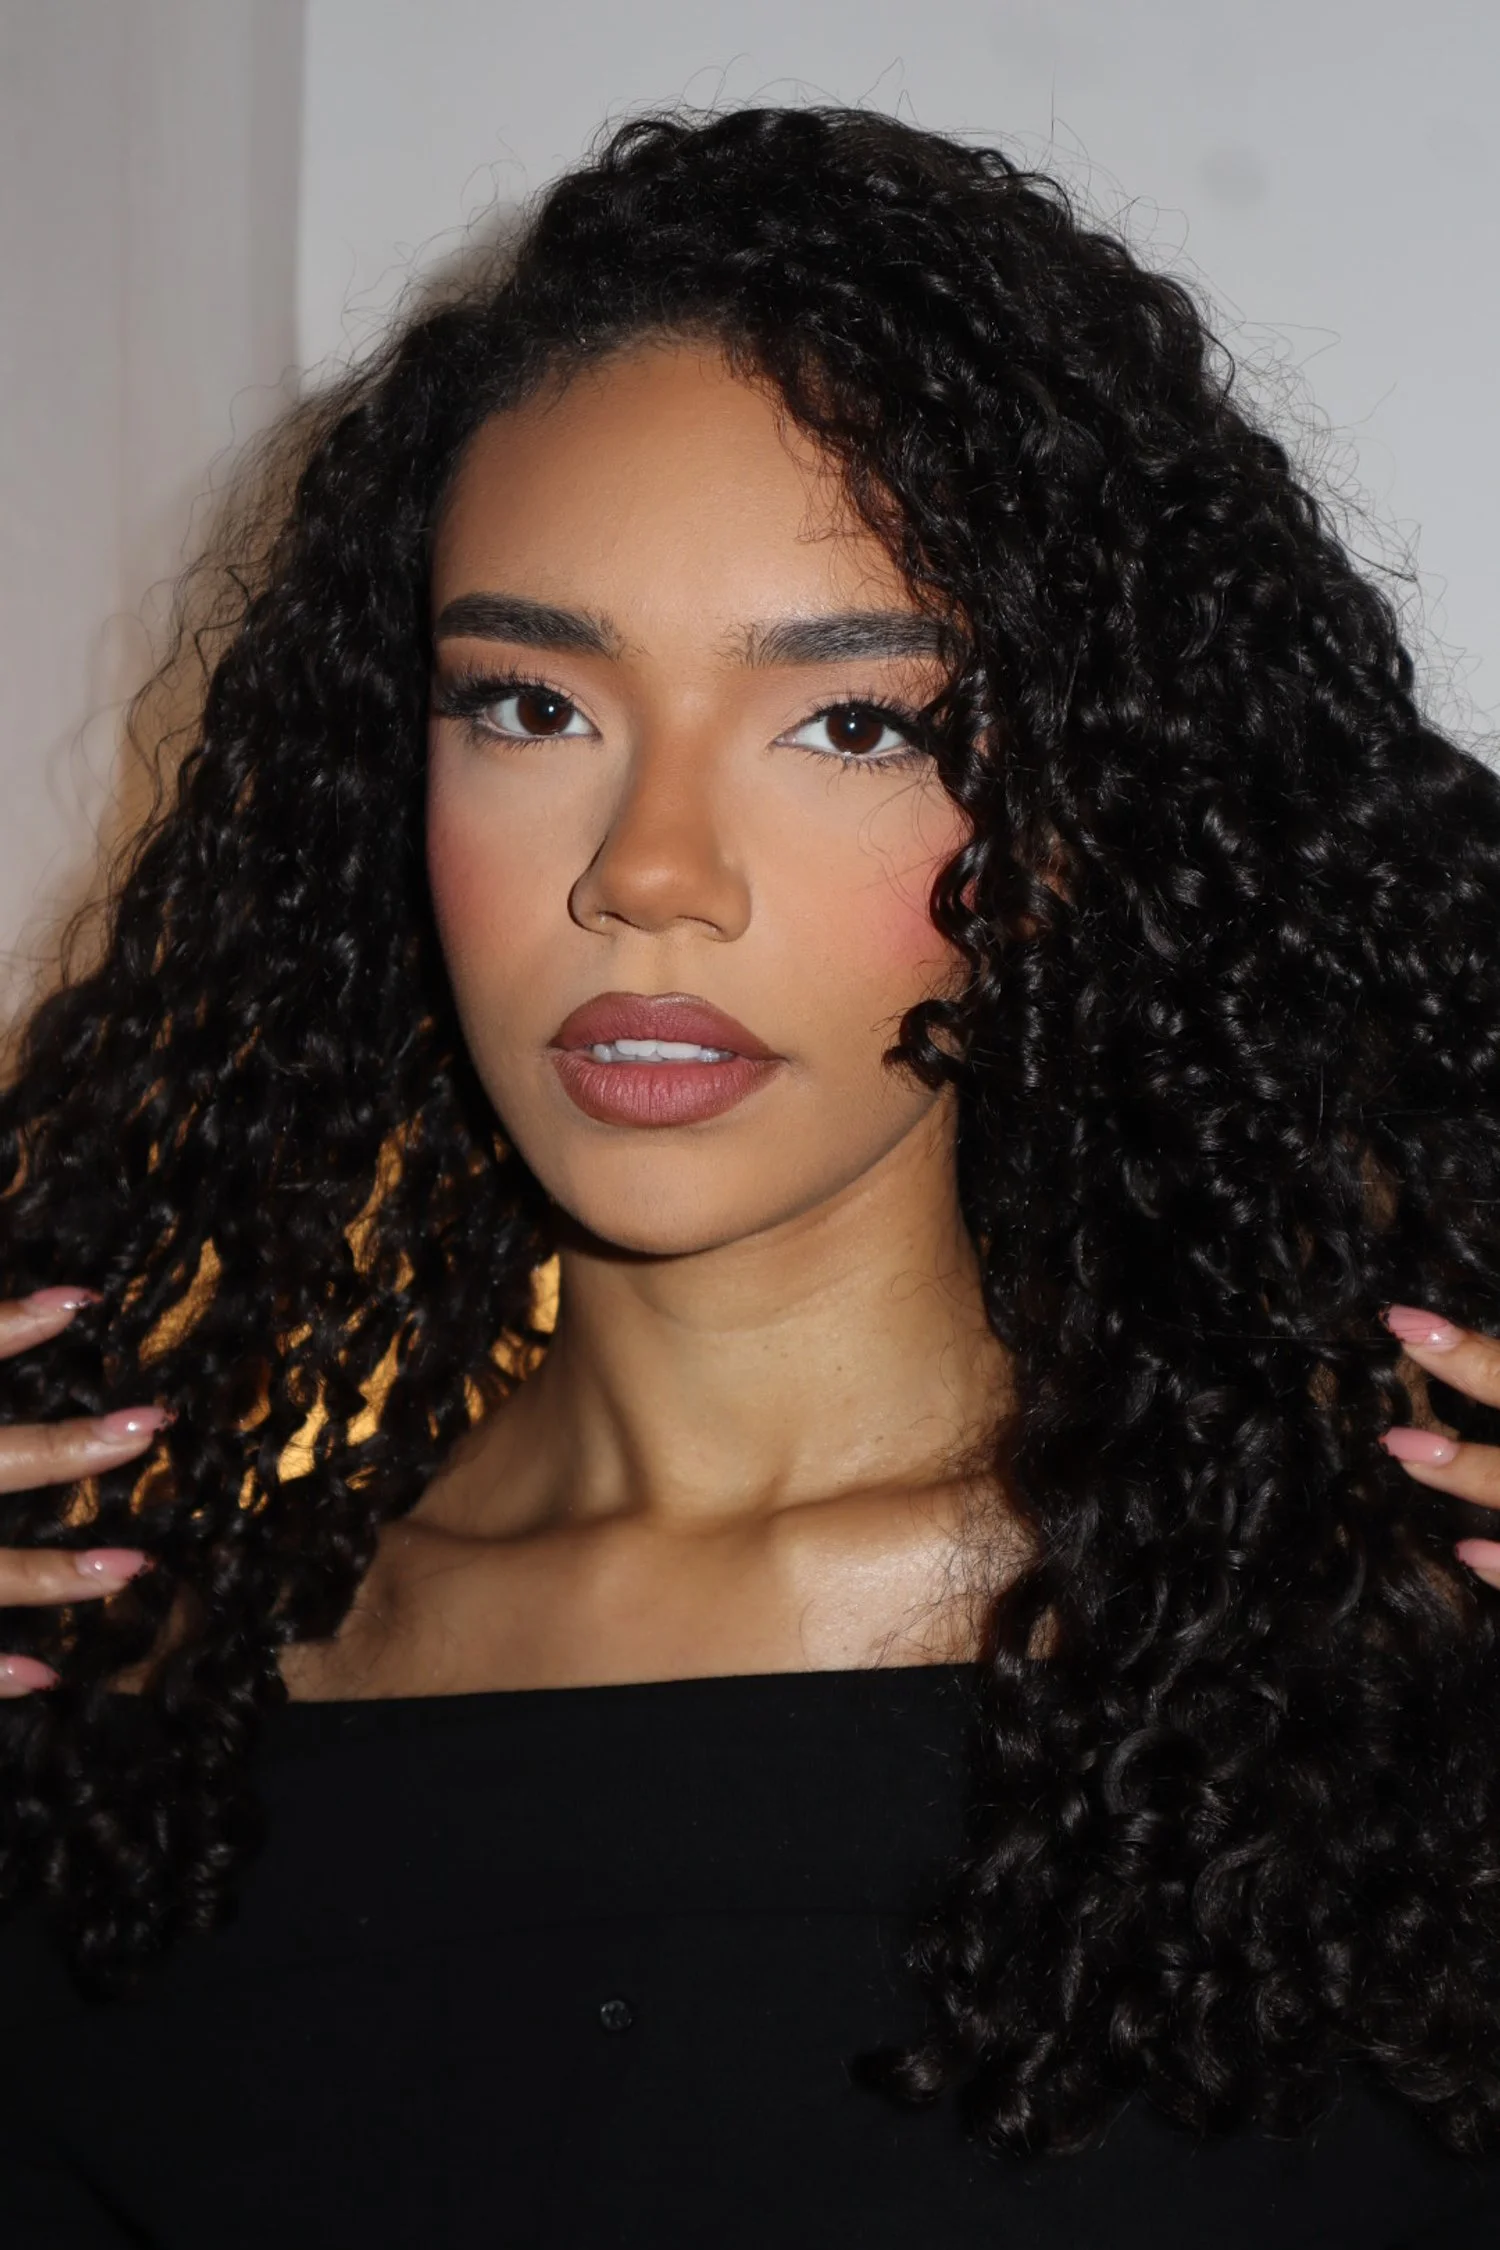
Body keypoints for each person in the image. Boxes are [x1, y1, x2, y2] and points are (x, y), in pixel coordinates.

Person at [1, 102, 1499, 2248]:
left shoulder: (1404, 1683)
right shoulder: (117, 1725)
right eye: (529, 707)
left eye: (854, 724)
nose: (650, 873)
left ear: (1075, 817)